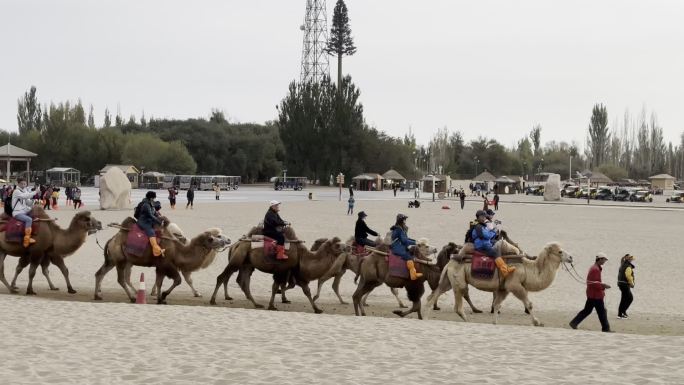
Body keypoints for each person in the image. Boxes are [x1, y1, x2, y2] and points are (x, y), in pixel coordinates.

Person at [569, 253, 613, 332]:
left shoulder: (595, 268)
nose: (604, 262)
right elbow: (593, 284)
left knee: (587, 310)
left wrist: (602, 285)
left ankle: (574, 323)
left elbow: (593, 283)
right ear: (599, 259)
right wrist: (604, 286)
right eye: (604, 260)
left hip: (592, 294)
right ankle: (606, 329)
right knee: (602, 312)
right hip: (595, 295)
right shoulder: (595, 269)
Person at [471, 210, 516, 278]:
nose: (484, 218)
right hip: (482, 246)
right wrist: (494, 231)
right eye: (482, 217)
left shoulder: (481, 226)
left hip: (483, 244)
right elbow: (487, 236)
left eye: (484, 217)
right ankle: (504, 271)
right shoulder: (479, 227)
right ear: (478, 217)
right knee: (495, 253)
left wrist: (492, 233)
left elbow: (487, 235)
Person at [390, 214, 422, 280]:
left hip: (398, 245)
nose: (405, 221)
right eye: (404, 220)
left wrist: (415, 241)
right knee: (409, 256)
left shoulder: (399, 228)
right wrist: (415, 243)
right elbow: (404, 241)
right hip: (397, 247)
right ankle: (413, 274)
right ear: (401, 220)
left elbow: (406, 238)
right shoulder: (399, 229)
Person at [11, 177, 38, 248]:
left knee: (36, 215)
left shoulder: (25, 191)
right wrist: (35, 192)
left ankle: (34, 234)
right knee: (29, 219)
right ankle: (27, 239)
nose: (23, 185)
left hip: (25, 210)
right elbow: (24, 196)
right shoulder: (16, 191)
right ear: (18, 183)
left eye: (24, 184)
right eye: (22, 184)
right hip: (18, 212)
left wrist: (33, 200)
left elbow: (28, 203)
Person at [137, 191, 164, 257]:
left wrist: (160, 217)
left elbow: (155, 212)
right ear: (151, 197)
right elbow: (150, 215)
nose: (154, 199)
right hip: (144, 222)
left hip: (149, 220)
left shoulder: (151, 203)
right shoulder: (146, 205)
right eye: (153, 198)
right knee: (151, 232)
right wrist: (159, 222)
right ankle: (156, 250)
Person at [617, 254, 636, 319]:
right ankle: (622, 312)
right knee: (630, 298)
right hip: (625, 284)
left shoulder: (622, 264)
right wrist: (632, 283)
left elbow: (621, 261)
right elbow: (628, 276)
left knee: (624, 299)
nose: (632, 260)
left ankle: (620, 313)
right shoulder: (628, 266)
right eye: (631, 259)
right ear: (629, 259)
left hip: (620, 284)